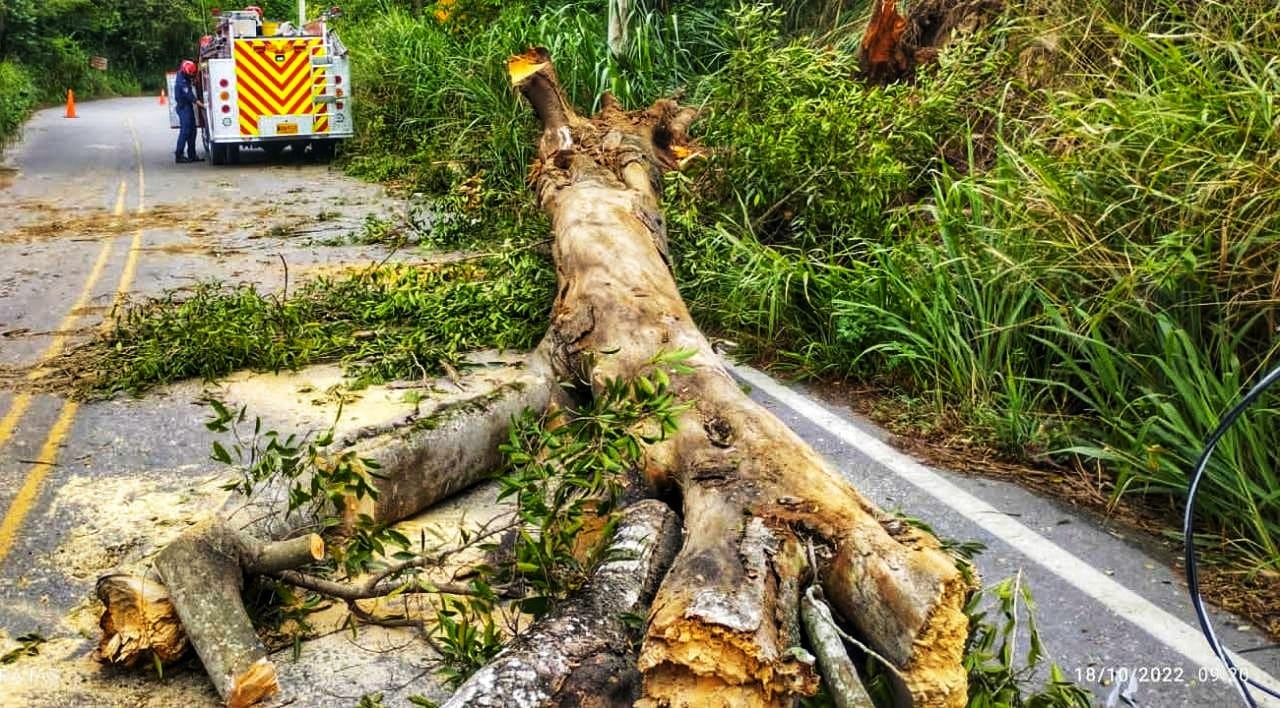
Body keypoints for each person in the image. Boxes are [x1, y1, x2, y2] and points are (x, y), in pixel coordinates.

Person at [174, 60, 205, 164]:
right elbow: (189, 95)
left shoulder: (184, 74)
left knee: (193, 131)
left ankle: (192, 154)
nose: (191, 76)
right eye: (190, 75)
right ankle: (179, 155)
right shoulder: (181, 82)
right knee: (185, 131)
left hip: (187, 107)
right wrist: (200, 104)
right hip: (183, 107)